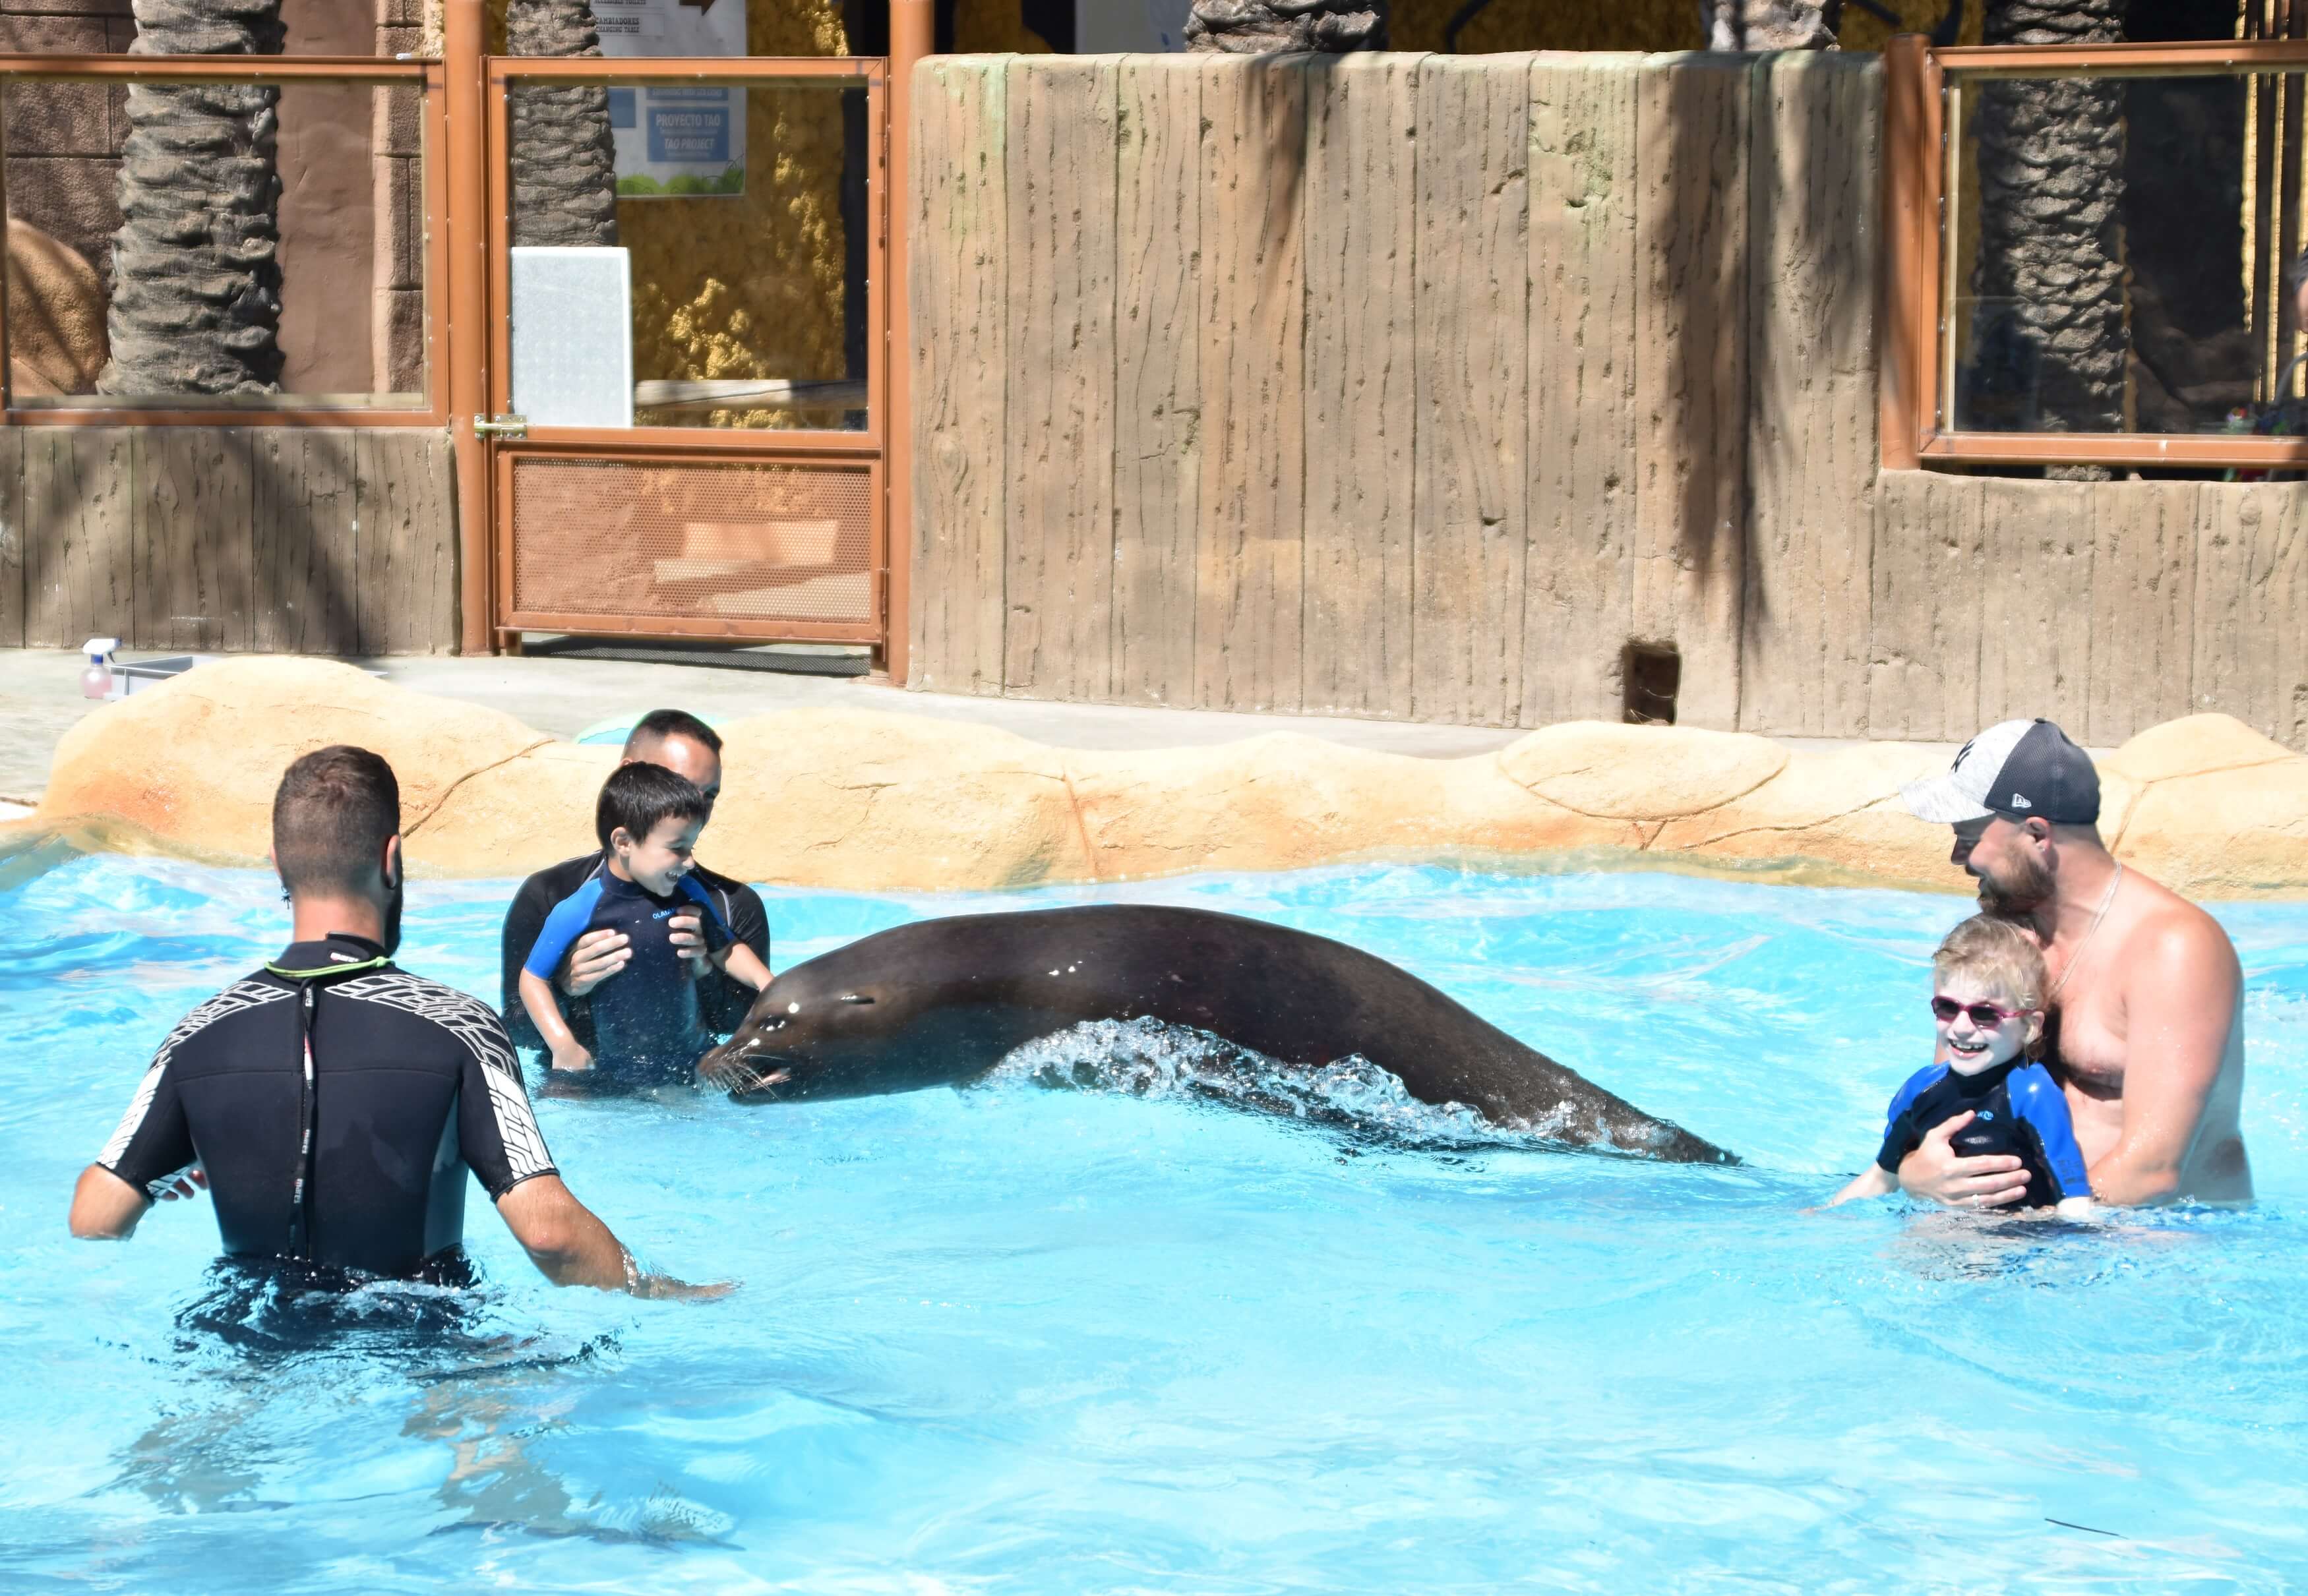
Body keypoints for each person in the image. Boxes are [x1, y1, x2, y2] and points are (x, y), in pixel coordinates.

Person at [66, 745, 723, 1298]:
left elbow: (95, 1216)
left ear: (279, 867)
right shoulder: (459, 1026)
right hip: (413, 1337)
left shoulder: (197, 1033)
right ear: (391, 859)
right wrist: (656, 1287)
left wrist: (179, 1159)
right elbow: (549, 1234)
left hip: (244, 1339)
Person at [1897, 719, 2251, 1208]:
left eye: (1968, 835)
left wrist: (2025, 1232)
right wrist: (1917, 1171)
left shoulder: (2173, 949)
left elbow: (2153, 1170)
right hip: (2034, 1233)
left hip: (2152, 1249)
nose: (1958, 856)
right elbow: (1946, 1107)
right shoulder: (2002, 940)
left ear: (2036, 833)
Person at [500, 709, 769, 1063]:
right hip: (587, 1087)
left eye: (710, 797)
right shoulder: (552, 895)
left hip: (686, 1078)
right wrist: (567, 989)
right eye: (682, 788)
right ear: (630, 774)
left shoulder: (732, 904)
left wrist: (704, 971)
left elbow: (751, 1029)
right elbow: (515, 1033)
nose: (699, 812)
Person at [1831, 916, 2092, 1218]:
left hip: (2015, 1239)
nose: (1962, 1028)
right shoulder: (1920, 1090)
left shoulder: (2032, 1094)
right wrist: (1823, 1215)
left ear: (2028, 1026)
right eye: (1948, 1008)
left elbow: (2074, 1201)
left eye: (1984, 1013)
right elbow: (1880, 1178)